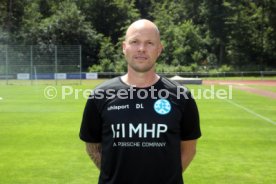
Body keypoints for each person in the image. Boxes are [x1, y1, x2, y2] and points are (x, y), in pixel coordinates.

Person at [79, 19, 201, 184]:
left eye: (149, 43)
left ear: (159, 49)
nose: (141, 49)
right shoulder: (100, 95)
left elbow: (189, 149)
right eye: (135, 42)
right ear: (124, 47)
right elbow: (92, 146)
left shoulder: (181, 96)